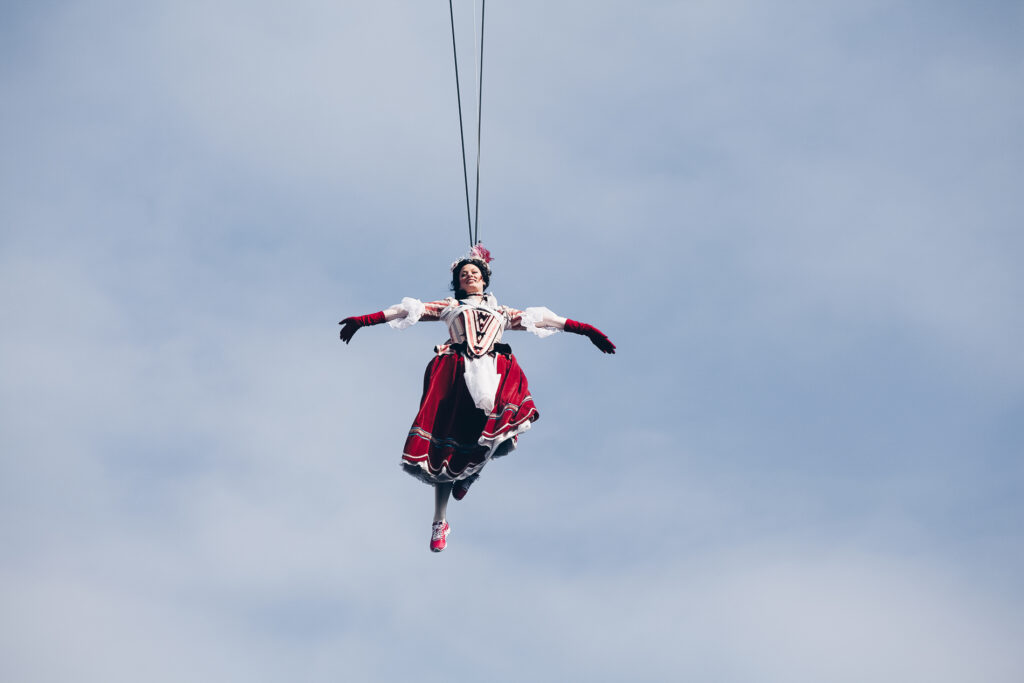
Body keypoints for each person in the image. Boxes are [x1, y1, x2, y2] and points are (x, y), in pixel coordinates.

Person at [338, 245, 615, 552]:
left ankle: (471, 473)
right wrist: (365, 320)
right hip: (456, 369)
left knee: (503, 423)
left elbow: (547, 321)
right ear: (457, 282)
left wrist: (585, 330)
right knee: (444, 443)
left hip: (494, 370)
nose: (469, 276)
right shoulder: (448, 307)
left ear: (484, 279)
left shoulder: (502, 312)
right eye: (463, 274)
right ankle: (439, 521)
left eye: (474, 272)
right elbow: (407, 311)